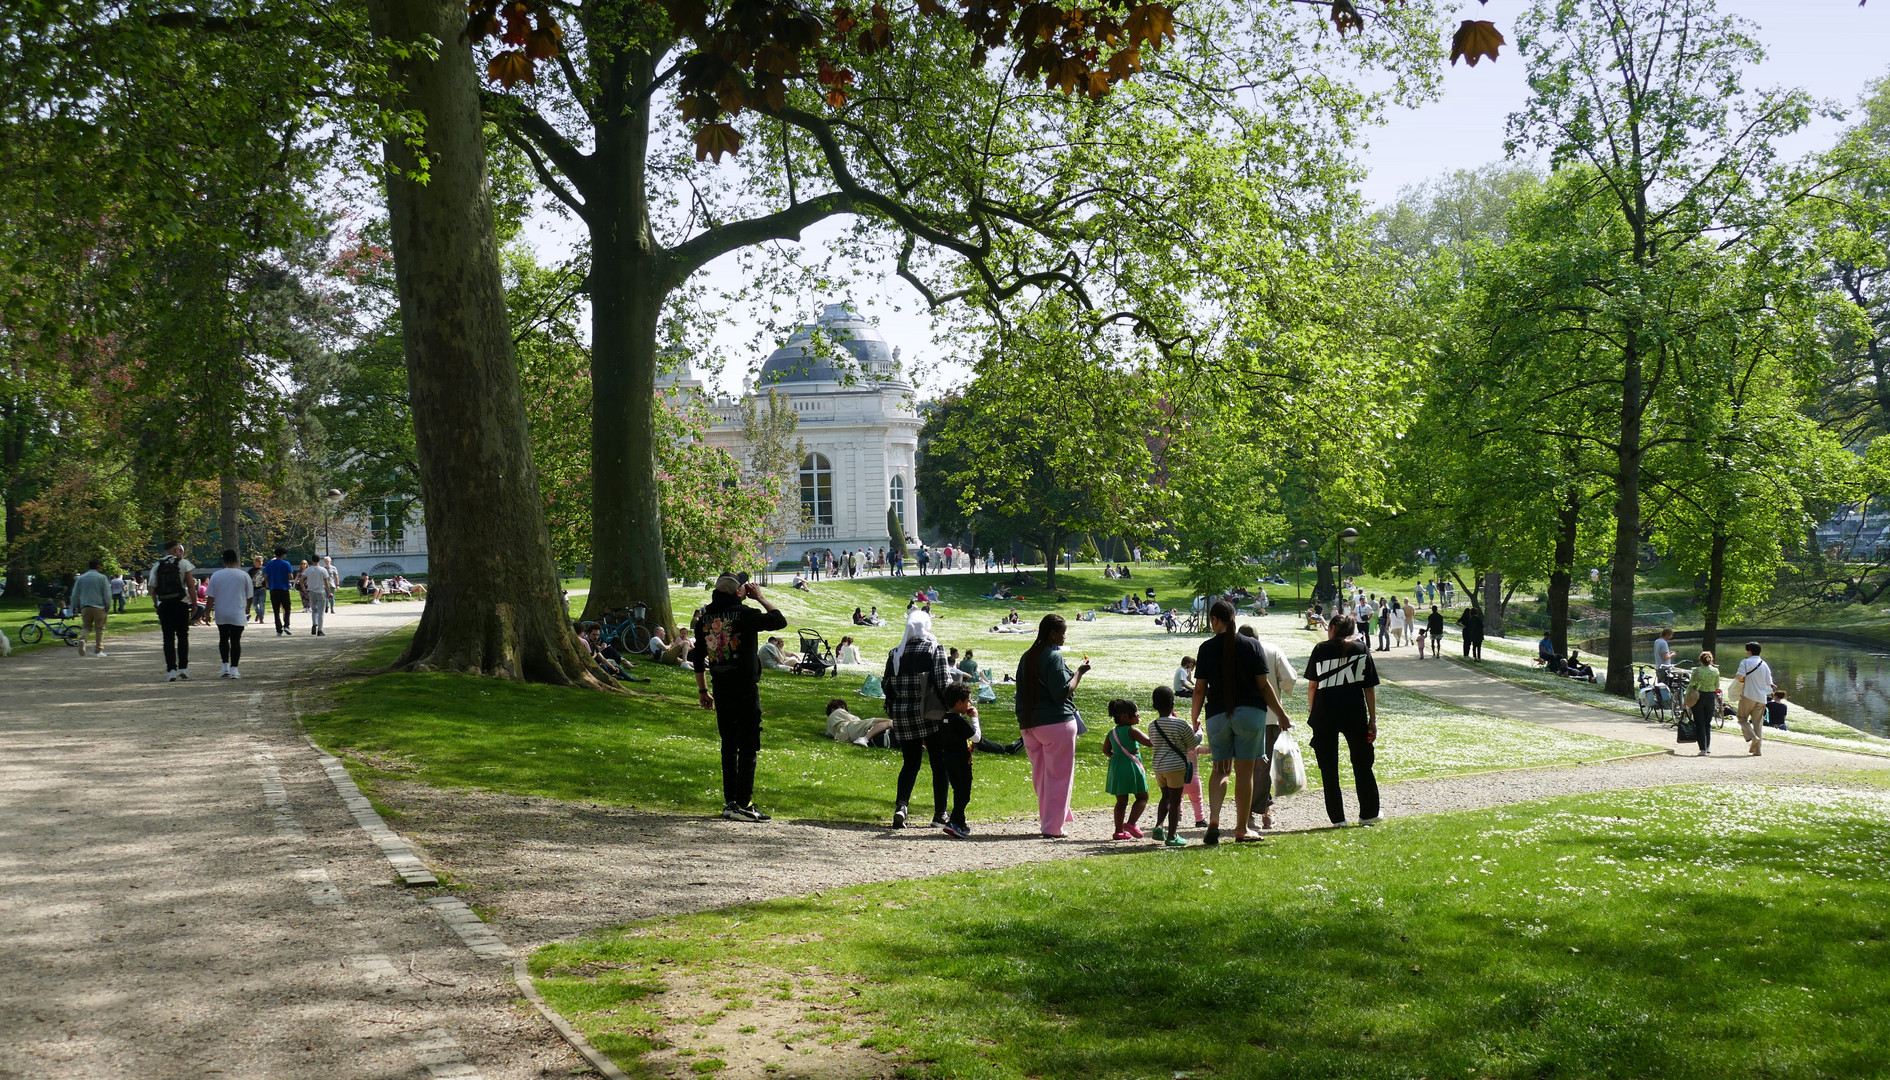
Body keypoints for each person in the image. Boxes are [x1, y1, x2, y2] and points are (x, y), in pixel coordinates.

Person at [1189, 599, 1292, 845]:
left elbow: (1199, 689)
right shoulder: (1252, 646)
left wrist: (1194, 717)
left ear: (1215, 620)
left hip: (1217, 715)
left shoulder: (1206, 648)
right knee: (1245, 773)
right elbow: (1264, 686)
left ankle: (1213, 821)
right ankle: (1241, 828)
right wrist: (1281, 714)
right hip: (1250, 715)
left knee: (1220, 770)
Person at [689, 573, 789, 821]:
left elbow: (698, 658)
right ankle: (744, 803)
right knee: (748, 746)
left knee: (728, 746)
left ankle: (730, 802)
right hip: (744, 688)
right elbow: (779, 621)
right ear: (737, 592)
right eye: (745, 587)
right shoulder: (744, 614)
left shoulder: (705, 617)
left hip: (721, 687)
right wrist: (761, 597)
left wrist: (703, 691)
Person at [1303, 613, 1382, 826]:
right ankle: (1368, 814)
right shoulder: (1361, 650)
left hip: (1324, 714)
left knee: (1329, 768)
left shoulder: (1320, 649)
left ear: (1332, 629)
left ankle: (1338, 819)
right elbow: (1369, 688)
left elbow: (1312, 685)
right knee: (1362, 764)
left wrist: (1312, 712)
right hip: (1354, 713)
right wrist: (1372, 719)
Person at [1015, 613, 1087, 839]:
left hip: (1029, 724)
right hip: (1056, 723)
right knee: (1059, 777)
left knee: (1042, 777)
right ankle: (1053, 826)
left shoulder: (1027, 656)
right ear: (1053, 634)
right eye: (1062, 633)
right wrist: (1079, 673)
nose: (1064, 637)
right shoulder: (1053, 657)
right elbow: (1061, 692)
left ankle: (1051, 819)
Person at [883, 609, 955, 829]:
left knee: (910, 763)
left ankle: (901, 807)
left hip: (903, 715)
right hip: (930, 715)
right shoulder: (934, 649)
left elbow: (886, 685)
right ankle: (940, 814)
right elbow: (944, 683)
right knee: (939, 764)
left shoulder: (895, 653)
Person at [1238, 624, 1296, 831]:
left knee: (1248, 767)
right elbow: (1289, 678)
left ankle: (1258, 810)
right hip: (1270, 717)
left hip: (1241, 718)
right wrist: (1281, 690)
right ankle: (1258, 810)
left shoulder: (1232, 654)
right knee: (1264, 767)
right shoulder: (1272, 650)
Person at [1145, 685, 1200, 846]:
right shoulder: (1180, 724)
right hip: (1175, 767)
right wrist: (1200, 731)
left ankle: (1159, 825)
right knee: (1176, 801)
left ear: (1154, 706)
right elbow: (1193, 743)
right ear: (1173, 704)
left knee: (1165, 797)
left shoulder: (1152, 725)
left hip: (1159, 767)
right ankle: (1172, 835)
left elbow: (1154, 742)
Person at [1102, 698, 1152, 841]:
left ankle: (1118, 831)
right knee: (1142, 797)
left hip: (1117, 766)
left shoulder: (1111, 733)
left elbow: (1106, 750)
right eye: (1136, 713)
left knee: (1121, 801)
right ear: (1124, 716)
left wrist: (1117, 757)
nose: (1138, 716)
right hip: (1132, 764)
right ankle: (1131, 823)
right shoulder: (1132, 731)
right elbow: (1149, 743)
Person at [933, 681, 979, 838]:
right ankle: (954, 821)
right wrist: (975, 718)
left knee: (958, 791)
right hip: (962, 762)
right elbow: (976, 737)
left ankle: (960, 822)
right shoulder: (960, 721)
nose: (969, 704)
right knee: (964, 794)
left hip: (949, 761)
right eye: (968, 701)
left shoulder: (944, 719)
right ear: (960, 702)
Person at [149, 540, 197, 682]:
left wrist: (156, 605)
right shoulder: (183, 563)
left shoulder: (157, 565)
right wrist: (194, 603)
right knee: (183, 635)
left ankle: (171, 670)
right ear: (175, 550)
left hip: (164, 604)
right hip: (180, 602)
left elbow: (152, 588)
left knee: (168, 637)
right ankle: (183, 667)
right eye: (179, 550)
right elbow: (190, 584)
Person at [205, 550, 254, 679]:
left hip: (221, 611)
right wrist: (247, 607)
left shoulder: (216, 575)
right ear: (237, 559)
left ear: (224, 560)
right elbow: (250, 596)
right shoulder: (243, 575)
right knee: (235, 640)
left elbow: (210, 597)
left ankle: (225, 666)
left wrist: (207, 613)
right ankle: (234, 669)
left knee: (223, 638)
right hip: (237, 611)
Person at [1733, 642, 1774, 757]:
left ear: (1750, 651)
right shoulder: (1764, 664)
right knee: (1758, 723)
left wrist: (1742, 681)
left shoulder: (1745, 662)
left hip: (1748, 695)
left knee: (1741, 718)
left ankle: (1753, 737)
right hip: (1762, 697)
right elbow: (1769, 682)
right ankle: (1758, 750)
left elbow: (1740, 676)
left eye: (1747, 651)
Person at [73, 558, 113, 658]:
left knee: (86, 626)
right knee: (100, 628)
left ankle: (83, 639)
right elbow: (107, 594)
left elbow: (75, 594)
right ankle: (98, 650)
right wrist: (108, 606)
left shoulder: (81, 578)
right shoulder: (102, 578)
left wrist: (74, 606)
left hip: (85, 606)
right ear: (98, 567)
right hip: (99, 606)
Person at [1685, 651, 1720, 756]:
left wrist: (1686, 699)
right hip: (1710, 697)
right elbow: (1717, 686)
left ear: (1700, 660)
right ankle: (1708, 746)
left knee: (1699, 723)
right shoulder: (1715, 671)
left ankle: (1703, 748)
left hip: (1699, 697)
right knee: (1707, 723)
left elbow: (1691, 685)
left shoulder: (1697, 671)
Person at [825, 697, 895, 747]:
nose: (842, 709)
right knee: (891, 722)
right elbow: (856, 720)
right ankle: (864, 739)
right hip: (854, 727)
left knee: (891, 722)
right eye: (836, 706)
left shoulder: (831, 724)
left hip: (852, 730)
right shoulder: (837, 712)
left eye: (843, 707)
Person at [264, 547, 295, 635]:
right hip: (284, 588)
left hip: (273, 588)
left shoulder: (269, 564)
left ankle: (278, 629)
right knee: (287, 608)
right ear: (283, 554)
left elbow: (266, 576)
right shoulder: (286, 564)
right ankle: (286, 625)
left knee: (276, 610)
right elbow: (290, 577)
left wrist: (267, 583)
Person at [303, 555, 331, 637]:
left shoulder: (308, 570)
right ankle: (320, 630)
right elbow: (326, 582)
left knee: (314, 609)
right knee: (321, 611)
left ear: (312, 560)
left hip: (311, 591)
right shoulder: (323, 570)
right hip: (320, 591)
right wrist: (329, 592)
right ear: (319, 560)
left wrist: (304, 588)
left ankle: (314, 623)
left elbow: (301, 580)